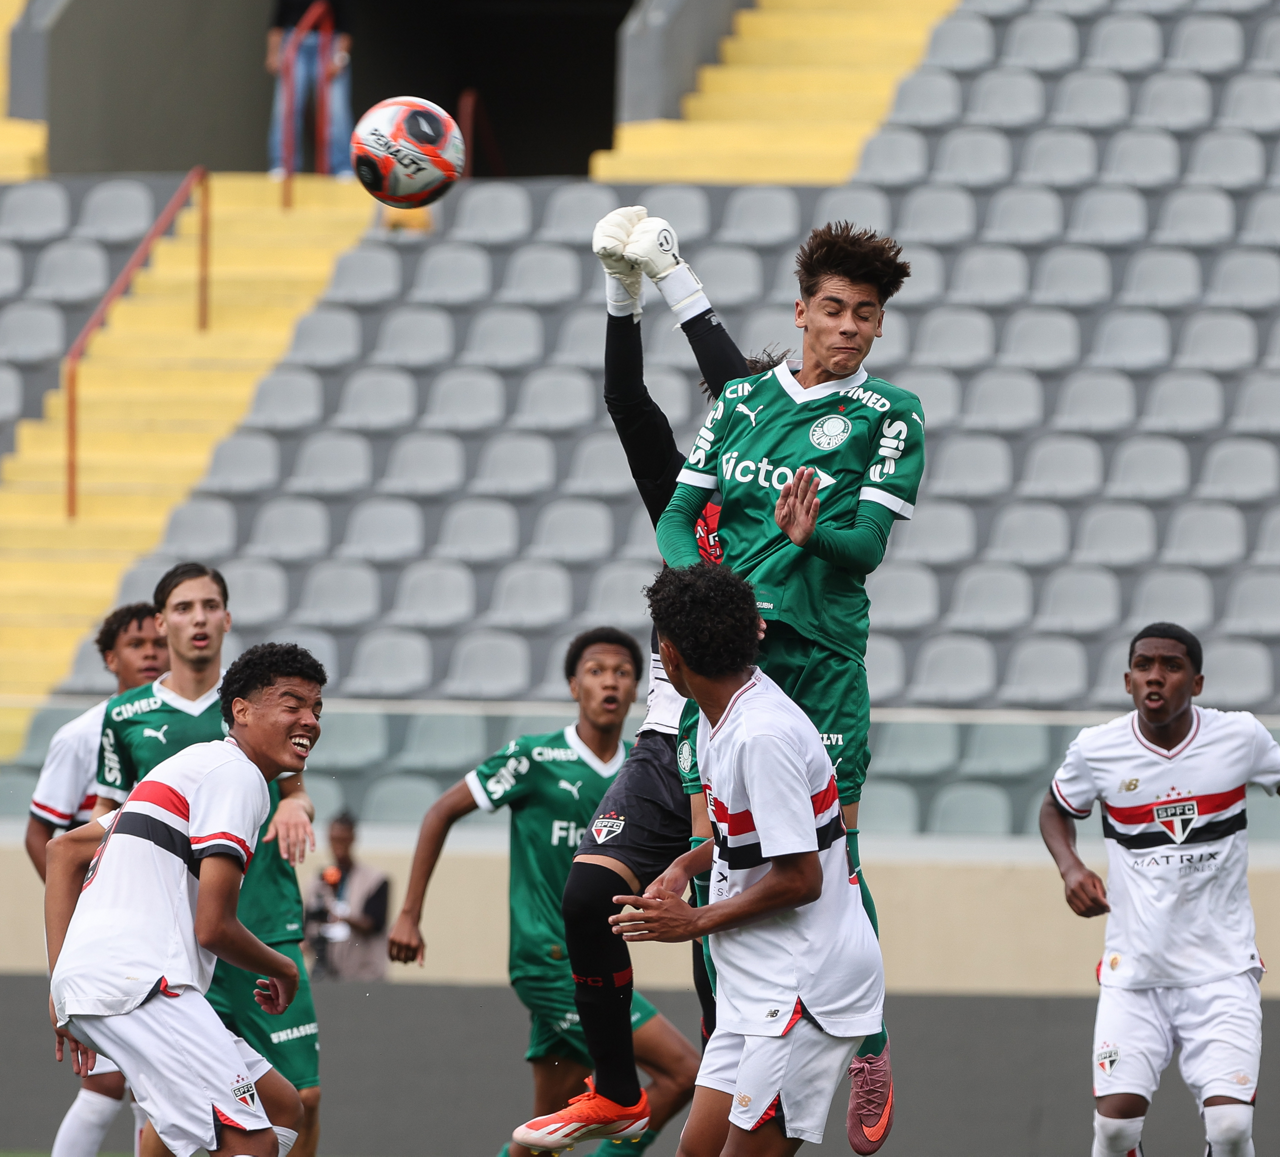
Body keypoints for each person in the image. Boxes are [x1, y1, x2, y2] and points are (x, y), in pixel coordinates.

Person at [524, 208, 906, 1153]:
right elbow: (650, 400)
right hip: (694, 720)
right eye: (830, 310)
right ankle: (638, 1084)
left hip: (790, 689)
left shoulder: (836, 431)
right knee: (645, 884)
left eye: (860, 313)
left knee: (811, 874)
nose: (844, 326)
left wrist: (672, 274)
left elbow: (738, 377)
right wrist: (630, 286)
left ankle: (856, 1042)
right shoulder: (709, 475)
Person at [388, 628, 700, 1157]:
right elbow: (440, 811)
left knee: (540, 1139)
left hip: (592, 967)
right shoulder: (534, 757)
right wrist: (409, 914)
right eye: (596, 671)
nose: (609, 682)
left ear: (639, 689)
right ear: (573, 685)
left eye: (622, 673)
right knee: (682, 1072)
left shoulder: (645, 774)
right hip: (548, 958)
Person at [613, 563, 885, 1157]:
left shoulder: (761, 736)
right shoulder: (725, 717)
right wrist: (686, 867)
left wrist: (694, 921)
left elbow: (801, 877)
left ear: (669, 654)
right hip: (757, 989)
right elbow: (756, 835)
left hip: (802, 990)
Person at [44, 642, 327, 1157]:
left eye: (317, 709)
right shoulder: (237, 776)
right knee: (252, 1141)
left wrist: (62, 984)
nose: (309, 720)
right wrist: (284, 967)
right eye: (293, 704)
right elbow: (213, 926)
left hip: (109, 982)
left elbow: (63, 851)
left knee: (283, 1107)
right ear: (241, 710)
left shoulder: (191, 767)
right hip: (144, 984)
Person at [1040, 622, 1279, 1157]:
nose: (1155, 676)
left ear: (1196, 683)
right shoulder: (1098, 748)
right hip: (1136, 973)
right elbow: (1055, 808)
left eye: (1171, 666)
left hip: (1222, 970)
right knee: (1115, 1130)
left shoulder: (1240, 737)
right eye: (1143, 665)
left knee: (1231, 1127)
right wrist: (1070, 868)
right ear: (1127, 681)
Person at [27, 603, 168, 1157]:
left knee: (151, 1081)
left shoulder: (187, 725)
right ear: (110, 659)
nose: (151, 653)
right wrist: (80, 910)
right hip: (106, 923)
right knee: (106, 1080)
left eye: (158, 642)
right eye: (137, 644)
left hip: (161, 917)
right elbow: (40, 835)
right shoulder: (82, 734)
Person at [266, 0, 353, 178]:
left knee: (336, 110)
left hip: (330, 42)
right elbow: (278, 21)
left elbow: (347, 25)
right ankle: (283, 165)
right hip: (295, 41)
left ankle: (342, 167)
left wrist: (340, 57)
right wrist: (273, 54)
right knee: (287, 107)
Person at [304, 812, 390, 982]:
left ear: (352, 839)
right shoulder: (317, 882)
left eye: (343, 839)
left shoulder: (374, 880)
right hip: (325, 975)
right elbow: (307, 927)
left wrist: (338, 915)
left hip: (365, 976)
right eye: (334, 839)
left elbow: (373, 924)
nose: (338, 845)